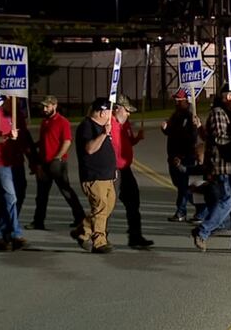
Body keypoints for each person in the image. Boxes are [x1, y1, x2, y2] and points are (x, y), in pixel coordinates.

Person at [190, 85, 231, 252]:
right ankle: (202, 231)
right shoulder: (218, 113)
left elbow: (210, 136)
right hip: (225, 167)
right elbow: (220, 139)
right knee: (228, 202)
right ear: (227, 97)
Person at [26, 95, 85, 230]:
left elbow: (67, 141)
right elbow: (44, 140)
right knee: (41, 195)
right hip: (44, 162)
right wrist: (34, 147)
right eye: (44, 106)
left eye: (48, 106)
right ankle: (38, 221)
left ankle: (80, 218)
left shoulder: (62, 121)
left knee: (66, 191)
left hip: (57, 163)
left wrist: (57, 157)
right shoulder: (45, 122)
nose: (45, 109)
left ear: (55, 105)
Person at [73, 97, 117, 253]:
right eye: (108, 111)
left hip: (107, 176)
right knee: (100, 208)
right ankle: (99, 241)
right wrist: (104, 134)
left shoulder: (104, 126)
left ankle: (82, 231)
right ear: (101, 112)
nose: (110, 114)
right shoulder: (87, 126)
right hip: (94, 176)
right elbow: (90, 149)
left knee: (107, 207)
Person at [111, 94, 153, 248]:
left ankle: (135, 236)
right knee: (108, 204)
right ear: (117, 109)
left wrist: (137, 139)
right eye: (127, 110)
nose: (129, 114)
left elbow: (127, 142)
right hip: (113, 170)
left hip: (125, 168)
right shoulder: (110, 125)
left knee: (133, 201)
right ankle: (92, 233)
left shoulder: (125, 124)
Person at [0, 97, 28, 251]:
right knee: (11, 197)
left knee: (18, 195)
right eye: (12, 98)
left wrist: (34, 161)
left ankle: (1, 231)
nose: (15, 101)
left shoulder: (19, 115)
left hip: (16, 162)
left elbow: (25, 139)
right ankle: (15, 233)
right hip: (1, 163)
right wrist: (6, 137)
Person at [162, 88, 201, 222]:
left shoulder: (190, 117)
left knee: (185, 186)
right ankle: (198, 209)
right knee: (179, 184)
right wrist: (165, 129)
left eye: (180, 100)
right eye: (176, 100)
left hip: (185, 157)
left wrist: (182, 156)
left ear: (186, 101)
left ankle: (186, 211)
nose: (177, 103)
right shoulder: (175, 116)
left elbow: (191, 139)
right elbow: (172, 134)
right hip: (172, 156)